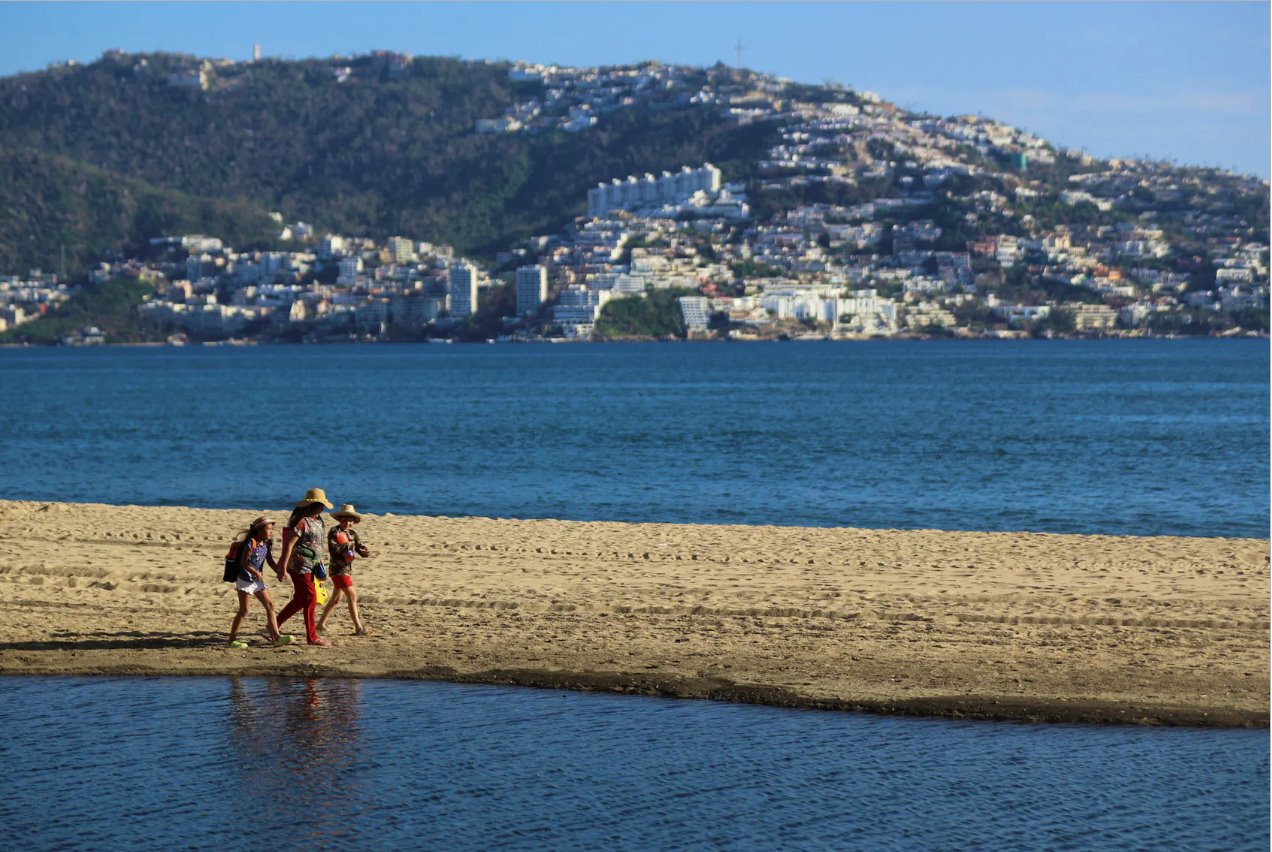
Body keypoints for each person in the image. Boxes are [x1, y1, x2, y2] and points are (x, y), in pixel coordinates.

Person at [274, 487, 333, 647]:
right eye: (320, 505)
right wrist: (282, 568)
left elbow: (317, 544)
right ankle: (312, 637)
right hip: (299, 566)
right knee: (310, 598)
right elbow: (289, 546)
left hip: (313, 565)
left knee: (301, 599)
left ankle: (274, 624)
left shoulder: (319, 520)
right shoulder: (301, 522)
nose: (322, 508)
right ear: (312, 505)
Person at [227, 516, 284, 648]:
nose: (271, 532)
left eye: (272, 529)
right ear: (258, 530)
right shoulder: (250, 543)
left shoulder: (266, 543)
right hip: (245, 580)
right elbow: (244, 563)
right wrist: (256, 572)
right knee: (244, 611)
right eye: (268, 529)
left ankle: (276, 636)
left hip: (258, 581)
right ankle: (231, 640)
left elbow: (269, 560)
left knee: (270, 605)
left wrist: (278, 571)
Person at [318, 504, 372, 635]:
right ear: (339, 520)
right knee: (352, 596)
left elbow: (359, 547)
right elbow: (333, 550)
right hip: (337, 570)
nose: (347, 523)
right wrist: (349, 545)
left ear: (353, 522)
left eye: (350, 521)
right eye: (344, 520)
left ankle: (320, 624)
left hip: (347, 569)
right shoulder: (334, 531)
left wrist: (365, 552)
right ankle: (358, 628)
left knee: (335, 599)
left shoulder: (353, 533)